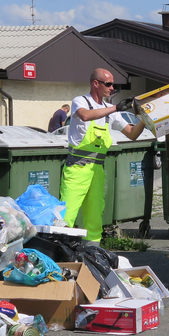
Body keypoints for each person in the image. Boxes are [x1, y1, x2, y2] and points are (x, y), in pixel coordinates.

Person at [59, 68, 144, 244]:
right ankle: (60, 256)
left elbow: (132, 133)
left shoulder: (109, 110)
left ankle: (94, 254)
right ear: (95, 83)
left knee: (94, 217)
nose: (112, 88)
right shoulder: (80, 101)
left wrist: (145, 118)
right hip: (77, 168)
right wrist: (115, 108)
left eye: (114, 84)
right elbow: (84, 115)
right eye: (108, 84)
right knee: (66, 216)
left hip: (97, 170)